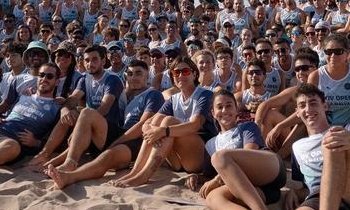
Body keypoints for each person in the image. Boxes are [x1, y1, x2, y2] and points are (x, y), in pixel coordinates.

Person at [44, 59, 165, 189]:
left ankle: (69, 177)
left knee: (108, 155)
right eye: (130, 74)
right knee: (87, 113)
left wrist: (116, 142)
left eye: (138, 73)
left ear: (147, 76)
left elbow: (143, 125)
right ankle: (69, 162)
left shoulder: (153, 94)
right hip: (121, 133)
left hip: (138, 141)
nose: (133, 77)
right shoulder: (127, 97)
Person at [193, 89, 289, 210]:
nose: (224, 110)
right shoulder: (211, 144)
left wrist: (217, 180)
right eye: (220, 107)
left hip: (269, 169)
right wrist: (196, 177)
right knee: (212, 198)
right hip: (257, 189)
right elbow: (207, 174)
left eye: (229, 105)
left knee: (221, 157)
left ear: (236, 109)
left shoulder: (246, 127)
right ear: (212, 112)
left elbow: (250, 150)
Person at [113, 56, 218, 187]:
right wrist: (152, 131)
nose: (180, 75)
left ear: (194, 74)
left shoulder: (204, 95)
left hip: (201, 159)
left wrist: (162, 131)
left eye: (185, 71)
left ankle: (144, 175)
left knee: (167, 122)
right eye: (176, 72)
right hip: (177, 162)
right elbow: (148, 123)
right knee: (158, 122)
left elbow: (194, 126)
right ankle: (135, 172)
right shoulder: (174, 99)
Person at [38, 45, 125, 171]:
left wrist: (79, 128)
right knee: (70, 112)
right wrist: (65, 110)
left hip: (111, 133)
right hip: (91, 132)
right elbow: (73, 98)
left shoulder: (112, 79)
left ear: (104, 61)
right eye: (87, 60)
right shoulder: (84, 78)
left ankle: (70, 162)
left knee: (85, 112)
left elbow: (104, 109)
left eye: (95, 59)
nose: (90, 63)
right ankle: (44, 154)